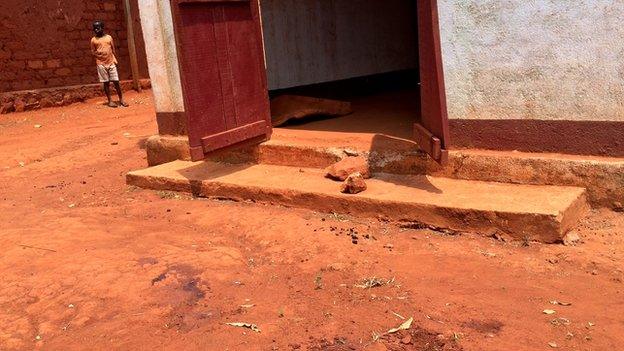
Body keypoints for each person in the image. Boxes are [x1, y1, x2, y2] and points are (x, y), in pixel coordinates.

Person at [90, 20, 128, 108]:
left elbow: (113, 50)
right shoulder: (93, 40)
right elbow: (93, 51)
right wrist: (98, 55)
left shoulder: (109, 38)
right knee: (106, 82)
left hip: (111, 62)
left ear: (102, 28)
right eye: (94, 28)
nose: (96, 30)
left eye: (98, 28)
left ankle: (121, 99)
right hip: (101, 63)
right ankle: (110, 101)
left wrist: (115, 60)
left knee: (116, 82)